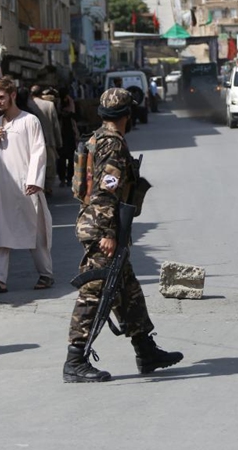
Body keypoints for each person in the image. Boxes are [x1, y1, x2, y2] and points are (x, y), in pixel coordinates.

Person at [63, 88, 183, 383]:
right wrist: (107, 233)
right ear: (127, 115)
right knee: (94, 293)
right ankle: (75, 360)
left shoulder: (96, 138)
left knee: (128, 291)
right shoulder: (113, 146)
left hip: (100, 223)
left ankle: (146, 350)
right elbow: (106, 189)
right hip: (102, 227)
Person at [0, 76, 54, 294]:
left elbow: (38, 151)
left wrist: (34, 180)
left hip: (27, 185)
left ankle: (46, 274)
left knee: (36, 232)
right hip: (3, 186)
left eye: (1, 97)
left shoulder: (29, 121)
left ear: (12, 95)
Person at [27, 85, 62, 195]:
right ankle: (47, 187)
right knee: (49, 166)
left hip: (31, 141)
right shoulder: (49, 105)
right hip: (48, 140)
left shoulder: (27, 105)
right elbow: (55, 125)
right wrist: (58, 142)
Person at [57, 86, 79, 187]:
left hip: (69, 135)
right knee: (62, 159)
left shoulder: (71, 103)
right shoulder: (57, 104)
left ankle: (69, 178)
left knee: (70, 159)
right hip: (61, 135)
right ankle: (63, 179)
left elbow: (76, 117)